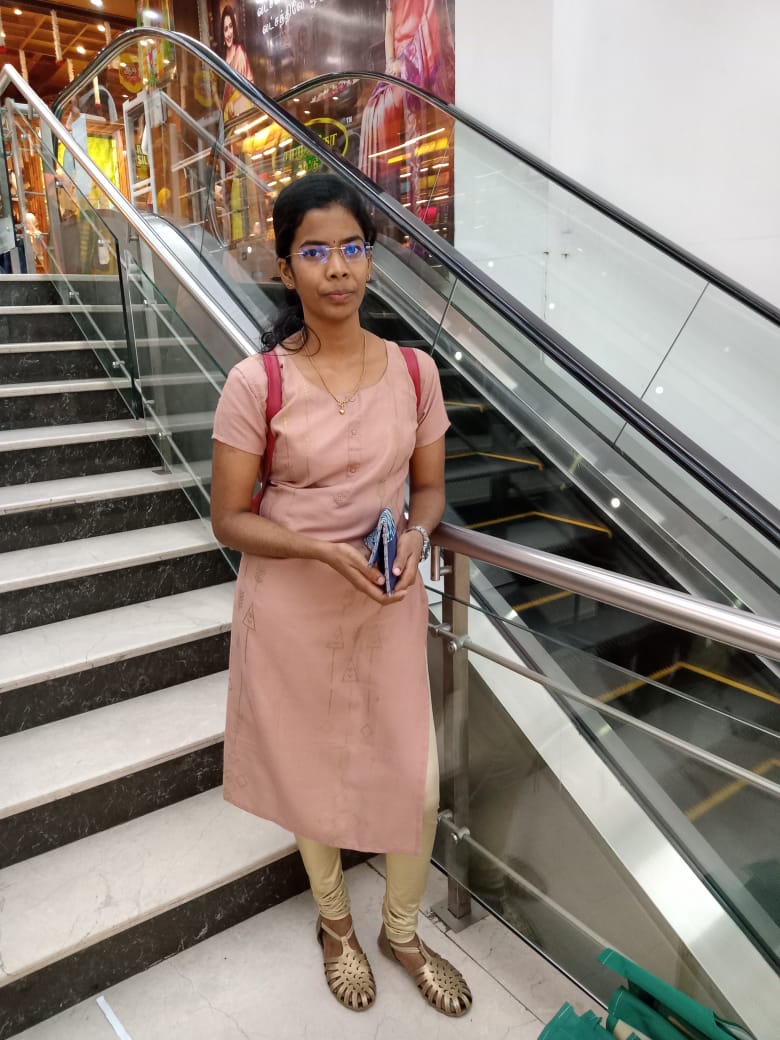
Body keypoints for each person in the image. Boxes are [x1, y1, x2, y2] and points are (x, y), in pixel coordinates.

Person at [210, 172, 472, 1017]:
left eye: (352, 249)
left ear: (372, 258)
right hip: (292, 607)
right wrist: (318, 551)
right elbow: (228, 518)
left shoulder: (414, 372)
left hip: (387, 603)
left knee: (416, 784)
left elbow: (428, 490)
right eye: (315, 252)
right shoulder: (256, 383)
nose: (338, 269)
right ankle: (335, 925)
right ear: (285, 268)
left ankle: (401, 931)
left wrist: (419, 536)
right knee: (309, 772)